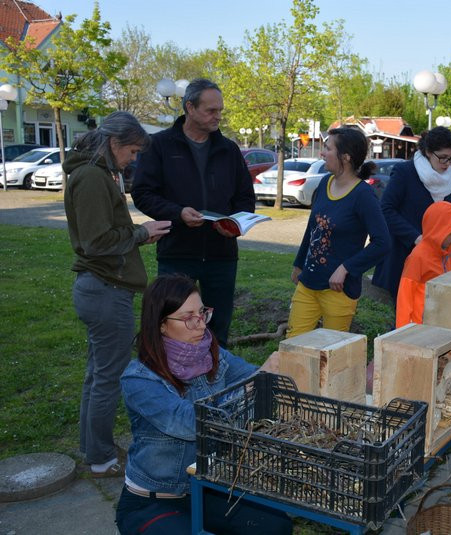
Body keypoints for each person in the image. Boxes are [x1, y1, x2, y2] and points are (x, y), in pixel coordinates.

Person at [116, 274, 292, 535]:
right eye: (188, 317)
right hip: (153, 500)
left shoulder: (212, 354)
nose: (200, 325)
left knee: (275, 525)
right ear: (161, 325)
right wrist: (252, 387)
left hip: (205, 488)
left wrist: (274, 373)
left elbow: (253, 376)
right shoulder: (139, 379)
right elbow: (189, 423)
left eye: (202, 313)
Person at [64, 111, 171, 478]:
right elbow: (96, 243)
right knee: (108, 377)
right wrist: (141, 233)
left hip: (104, 289)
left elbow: (103, 237)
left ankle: (96, 448)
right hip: (105, 291)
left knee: (98, 374)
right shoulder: (92, 178)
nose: (134, 159)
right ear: (114, 143)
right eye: (133, 151)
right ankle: (102, 459)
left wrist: (139, 235)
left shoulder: (96, 174)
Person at [132, 78, 255, 347]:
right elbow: (142, 192)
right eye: (211, 110)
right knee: (173, 326)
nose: (218, 116)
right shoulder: (159, 145)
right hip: (177, 252)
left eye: (220, 110)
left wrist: (234, 223)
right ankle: (173, 379)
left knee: (217, 328)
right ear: (190, 107)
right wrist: (178, 213)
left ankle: (215, 379)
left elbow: (245, 198)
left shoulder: (229, 150)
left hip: (221, 254)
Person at [287, 127, 390, 338]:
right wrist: (298, 264)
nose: (322, 153)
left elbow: (383, 243)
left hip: (338, 291)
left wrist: (346, 268)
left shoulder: (363, 195)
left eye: (327, 148)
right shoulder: (325, 182)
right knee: (293, 345)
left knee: (332, 353)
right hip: (308, 283)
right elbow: (312, 229)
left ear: (345, 157)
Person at [372, 126, 451, 301]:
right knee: (402, 316)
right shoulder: (405, 172)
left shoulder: (449, 177)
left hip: (435, 260)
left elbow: (450, 218)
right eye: (442, 158)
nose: (447, 163)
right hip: (402, 255)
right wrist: (415, 237)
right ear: (428, 152)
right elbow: (385, 210)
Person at [395, 201, 451, 328]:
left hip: (441, 319)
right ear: (438, 230)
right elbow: (404, 297)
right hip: (420, 325)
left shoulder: (448, 252)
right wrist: (402, 332)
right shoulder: (417, 257)